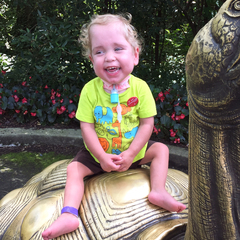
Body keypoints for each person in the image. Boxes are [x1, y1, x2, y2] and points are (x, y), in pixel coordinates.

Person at [42, 13, 186, 240]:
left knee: (161, 150)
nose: (109, 58)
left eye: (118, 49)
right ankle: (69, 214)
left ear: (135, 55)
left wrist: (131, 154)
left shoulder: (140, 89)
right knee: (74, 169)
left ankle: (158, 191)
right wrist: (100, 156)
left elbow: (147, 125)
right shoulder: (90, 90)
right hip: (99, 153)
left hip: (134, 151)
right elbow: (87, 127)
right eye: (100, 51)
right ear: (91, 60)